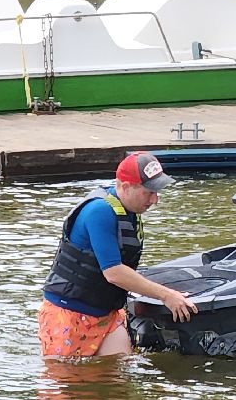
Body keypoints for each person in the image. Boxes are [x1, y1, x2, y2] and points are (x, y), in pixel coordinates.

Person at [38, 150, 198, 358]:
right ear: (125, 187)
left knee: (118, 379)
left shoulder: (129, 211)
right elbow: (113, 272)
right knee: (68, 385)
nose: (155, 199)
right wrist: (167, 295)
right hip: (69, 315)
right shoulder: (100, 211)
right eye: (149, 192)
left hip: (107, 316)